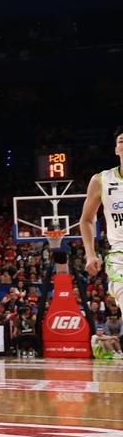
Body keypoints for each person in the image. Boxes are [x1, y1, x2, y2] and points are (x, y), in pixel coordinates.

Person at [81, 129, 123, 307]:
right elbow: (87, 220)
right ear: (116, 149)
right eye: (121, 141)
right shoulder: (101, 180)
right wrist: (90, 255)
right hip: (119, 255)